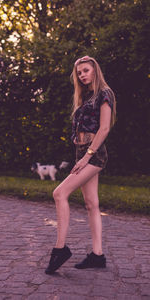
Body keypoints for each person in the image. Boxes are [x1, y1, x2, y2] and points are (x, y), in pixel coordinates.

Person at [45, 56, 116, 274]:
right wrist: (80, 146)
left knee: (59, 193)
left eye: (85, 70)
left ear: (95, 70)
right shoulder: (86, 97)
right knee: (91, 204)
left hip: (94, 154)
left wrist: (87, 156)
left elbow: (104, 129)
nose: (82, 75)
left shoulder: (105, 93)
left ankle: (60, 249)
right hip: (82, 151)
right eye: (79, 73)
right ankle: (97, 255)